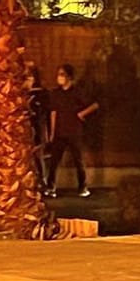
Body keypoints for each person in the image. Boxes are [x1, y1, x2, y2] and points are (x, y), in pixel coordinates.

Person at [46, 64, 96, 197]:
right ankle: (51, 188)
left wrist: (81, 114)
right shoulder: (55, 94)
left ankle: (83, 187)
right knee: (54, 162)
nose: (59, 77)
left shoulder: (77, 92)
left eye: (62, 74)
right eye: (58, 74)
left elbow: (94, 105)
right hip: (59, 133)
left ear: (69, 77)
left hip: (74, 132)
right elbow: (53, 113)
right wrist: (52, 133)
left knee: (79, 161)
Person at [26, 65, 54, 195]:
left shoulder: (41, 94)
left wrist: (48, 134)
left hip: (38, 130)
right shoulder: (22, 94)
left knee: (38, 156)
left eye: (30, 76)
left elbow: (46, 114)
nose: (28, 80)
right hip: (24, 132)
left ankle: (42, 182)